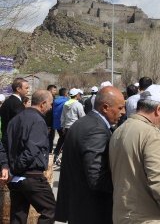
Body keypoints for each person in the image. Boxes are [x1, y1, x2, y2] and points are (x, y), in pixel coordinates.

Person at [109, 85, 160, 223]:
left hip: (121, 214)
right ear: (159, 109)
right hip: (147, 217)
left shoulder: (119, 130)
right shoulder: (152, 136)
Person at [55, 86, 125, 224]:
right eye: (120, 108)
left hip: (79, 207)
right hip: (92, 211)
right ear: (105, 107)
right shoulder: (96, 130)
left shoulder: (83, 123)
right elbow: (96, 177)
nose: (123, 112)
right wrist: (124, 188)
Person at [7, 90, 55, 224]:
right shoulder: (38, 121)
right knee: (50, 210)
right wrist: (16, 168)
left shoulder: (15, 120)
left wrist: (12, 169)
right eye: (50, 104)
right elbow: (31, 151)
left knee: (18, 215)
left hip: (16, 177)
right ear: (43, 103)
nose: (51, 107)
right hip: (31, 176)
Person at [0, 77, 29, 148]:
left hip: (7, 137)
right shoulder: (17, 104)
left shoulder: (8, 101)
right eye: (26, 88)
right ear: (18, 89)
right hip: (13, 141)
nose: (28, 90)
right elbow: (20, 124)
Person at [52, 88, 68, 163]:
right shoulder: (66, 101)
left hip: (56, 123)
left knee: (62, 139)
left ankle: (56, 154)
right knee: (63, 139)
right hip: (63, 123)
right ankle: (56, 155)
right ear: (65, 93)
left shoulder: (55, 101)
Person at [45, 84, 57, 154]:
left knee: (51, 138)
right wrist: (48, 125)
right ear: (49, 90)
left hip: (52, 122)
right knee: (48, 138)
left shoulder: (54, 98)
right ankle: (48, 153)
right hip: (48, 122)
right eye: (54, 90)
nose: (55, 91)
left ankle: (49, 153)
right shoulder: (47, 99)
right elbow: (48, 113)